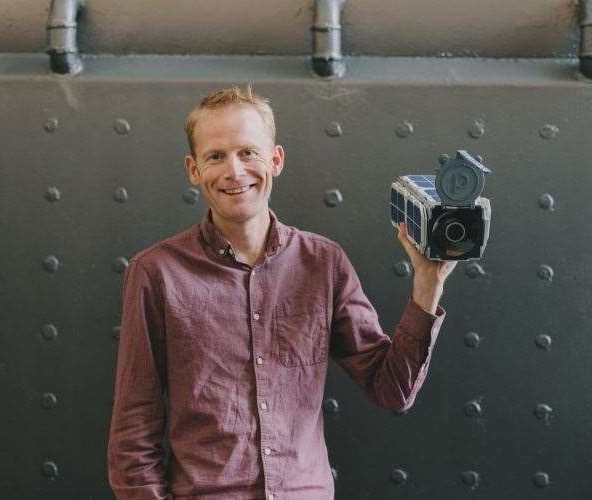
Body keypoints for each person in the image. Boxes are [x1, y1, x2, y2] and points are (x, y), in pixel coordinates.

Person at [107, 84, 458, 500]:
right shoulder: (155, 273)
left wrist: (428, 283)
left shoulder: (324, 263)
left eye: (248, 152)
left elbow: (391, 389)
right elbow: (134, 432)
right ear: (193, 169)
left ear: (275, 160)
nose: (234, 171)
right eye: (215, 156)